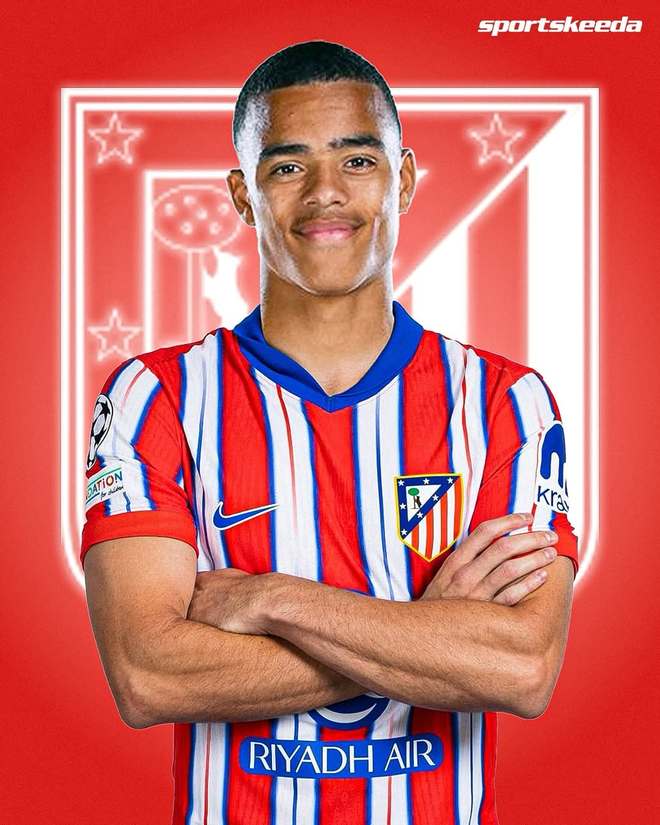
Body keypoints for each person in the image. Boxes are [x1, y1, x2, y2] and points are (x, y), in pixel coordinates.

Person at [81, 40, 578, 825]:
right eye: (288, 166)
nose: (325, 194)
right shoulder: (157, 397)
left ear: (402, 179)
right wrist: (428, 627)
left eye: (357, 161)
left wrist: (271, 599)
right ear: (243, 196)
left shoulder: (505, 403)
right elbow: (149, 674)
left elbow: (520, 667)